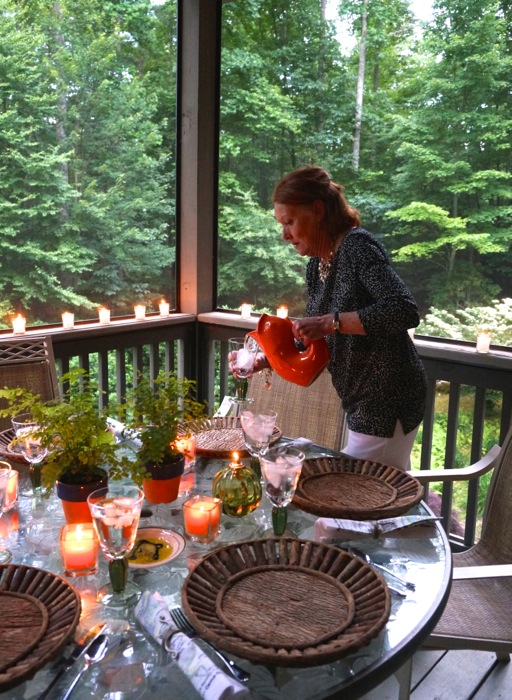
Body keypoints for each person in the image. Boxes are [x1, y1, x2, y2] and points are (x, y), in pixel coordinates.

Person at [268, 165, 427, 470]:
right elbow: (318, 340)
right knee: (376, 492)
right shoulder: (317, 264)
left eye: (289, 222)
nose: (284, 235)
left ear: (317, 210)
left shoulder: (356, 246)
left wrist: (330, 321)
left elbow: (403, 309)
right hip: (360, 398)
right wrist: (267, 359)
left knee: (357, 491)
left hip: (387, 396)